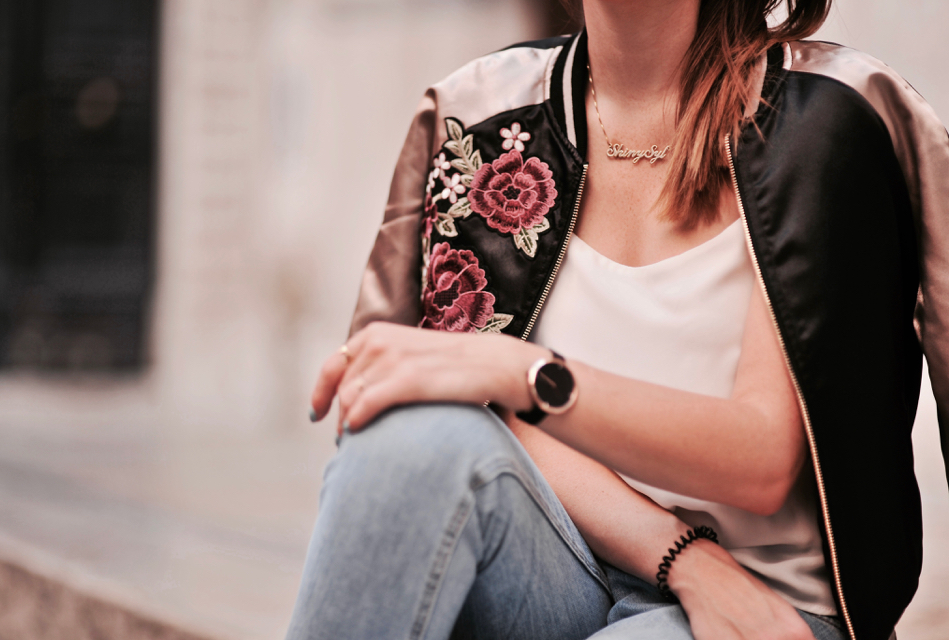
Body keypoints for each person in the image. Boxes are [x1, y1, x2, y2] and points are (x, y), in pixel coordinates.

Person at [285, 1, 949, 639]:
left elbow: (761, 459)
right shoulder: (483, 115)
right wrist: (680, 557)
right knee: (408, 439)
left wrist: (523, 373)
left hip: (770, 609)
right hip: (553, 566)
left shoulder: (824, 116)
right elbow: (405, 396)